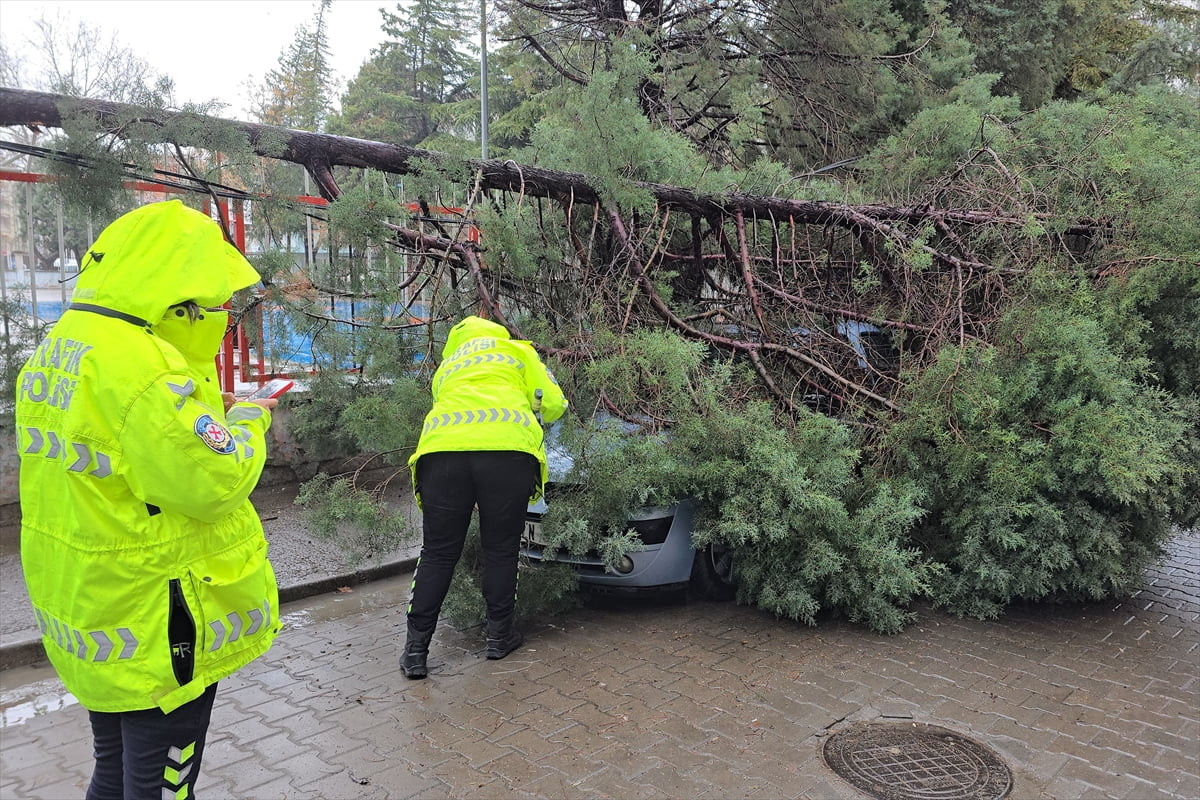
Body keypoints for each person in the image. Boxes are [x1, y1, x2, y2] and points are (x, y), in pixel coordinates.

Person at [15, 200, 281, 799]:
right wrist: (246, 423)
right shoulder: (143, 368)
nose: (219, 312)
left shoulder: (61, 346)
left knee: (113, 768)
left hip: (92, 606)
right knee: (160, 783)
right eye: (212, 301)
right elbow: (212, 481)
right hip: (157, 621)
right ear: (173, 286)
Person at [402, 315, 568, 679]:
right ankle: (499, 636)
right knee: (501, 549)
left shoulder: (449, 366)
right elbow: (555, 404)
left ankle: (415, 651)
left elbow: (446, 406)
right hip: (506, 455)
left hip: (441, 456)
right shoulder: (518, 352)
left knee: (438, 552)